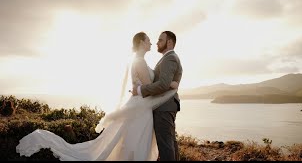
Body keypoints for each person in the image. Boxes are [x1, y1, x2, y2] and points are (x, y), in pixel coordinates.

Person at [16, 32, 180, 161]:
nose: (152, 43)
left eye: (155, 40)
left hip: (140, 105)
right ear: (141, 43)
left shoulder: (139, 60)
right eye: (149, 40)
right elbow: (148, 87)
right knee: (136, 139)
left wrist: (157, 86)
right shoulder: (140, 62)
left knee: (131, 138)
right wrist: (170, 86)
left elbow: (147, 86)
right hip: (141, 108)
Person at [132, 31, 183, 161]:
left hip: (164, 107)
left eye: (160, 40)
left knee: (166, 145)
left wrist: (140, 90)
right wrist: (172, 83)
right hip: (165, 106)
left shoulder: (170, 58)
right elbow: (163, 81)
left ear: (169, 42)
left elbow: (162, 84)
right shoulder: (166, 58)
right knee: (170, 142)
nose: (157, 42)